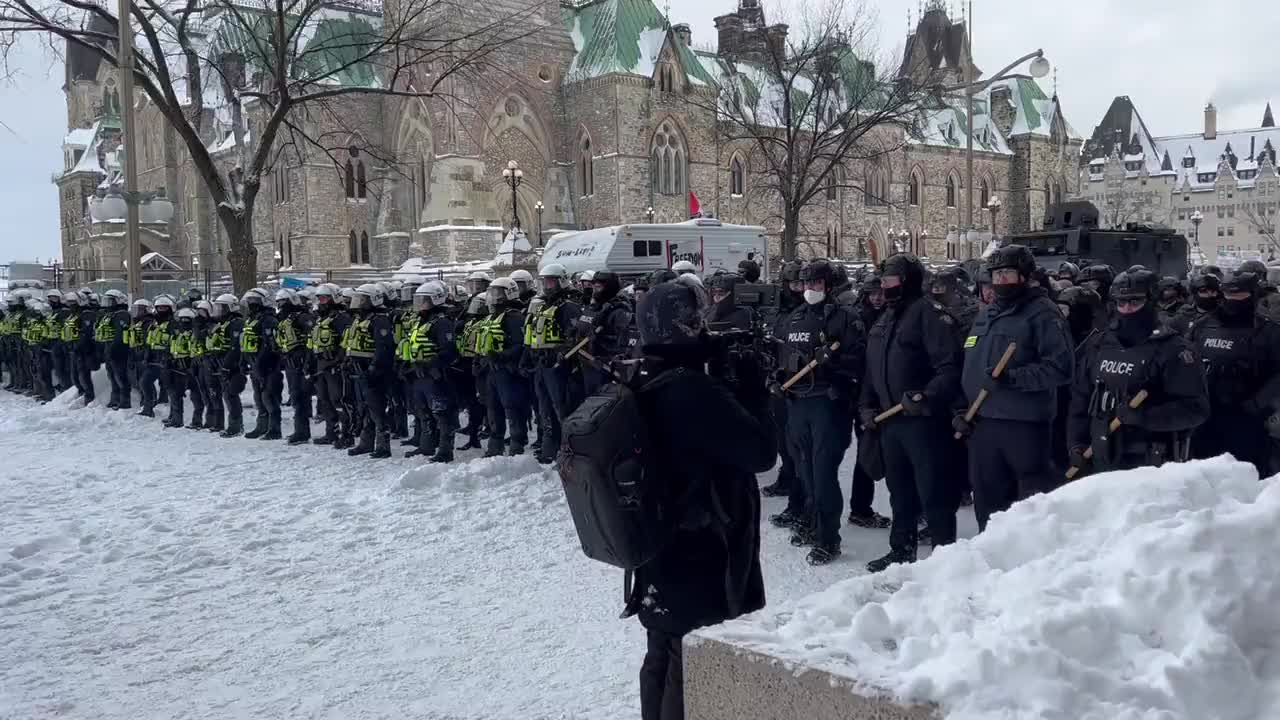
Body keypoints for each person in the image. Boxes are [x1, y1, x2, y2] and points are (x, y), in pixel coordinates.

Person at [623, 279, 775, 720]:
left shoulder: (645, 375)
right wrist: (753, 391)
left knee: (661, 649)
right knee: (688, 663)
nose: (706, 330)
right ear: (684, 327)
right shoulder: (693, 391)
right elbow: (761, 453)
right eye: (698, 323)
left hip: (657, 541)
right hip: (700, 547)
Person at [952, 246, 1074, 531]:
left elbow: (1061, 368)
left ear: (1025, 276)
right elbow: (970, 365)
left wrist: (1013, 378)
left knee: (1028, 505)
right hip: (982, 423)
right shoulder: (988, 314)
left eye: (1007, 273)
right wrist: (962, 408)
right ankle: (990, 552)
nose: (1000, 280)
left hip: (1023, 425)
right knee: (987, 500)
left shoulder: (1042, 313)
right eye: (996, 274)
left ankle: (1029, 555)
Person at [859, 253, 963, 573]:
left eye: (890, 280)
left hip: (923, 422)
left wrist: (927, 395)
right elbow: (871, 370)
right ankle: (901, 549)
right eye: (883, 280)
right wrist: (866, 405)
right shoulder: (885, 318)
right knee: (899, 492)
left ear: (906, 281)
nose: (884, 286)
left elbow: (949, 367)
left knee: (934, 492)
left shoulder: (929, 314)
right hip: (890, 422)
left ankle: (946, 559)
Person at [1068, 268, 1210, 474]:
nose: (1127, 309)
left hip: (1152, 464)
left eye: (1135, 302)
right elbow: (1080, 400)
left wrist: (1146, 416)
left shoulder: (1174, 349)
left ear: (1151, 302)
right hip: (1102, 456)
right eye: (1121, 302)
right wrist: (1076, 444)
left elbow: (1196, 409)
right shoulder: (1099, 345)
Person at [775, 259, 865, 565]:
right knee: (804, 471)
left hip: (828, 404)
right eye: (805, 283)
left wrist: (834, 363)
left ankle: (829, 538)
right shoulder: (795, 318)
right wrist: (777, 377)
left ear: (828, 286)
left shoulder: (845, 318)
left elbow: (859, 363)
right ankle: (812, 523)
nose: (809, 289)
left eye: (815, 283)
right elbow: (783, 356)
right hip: (798, 402)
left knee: (823, 473)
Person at [1187, 268, 1280, 476]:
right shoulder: (1202, 326)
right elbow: (1184, 364)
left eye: (1241, 294)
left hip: (1249, 417)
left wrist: (1257, 404)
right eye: (1229, 294)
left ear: (1253, 295)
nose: (1234, 300)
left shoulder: (1270, 332)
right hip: (1206, 416)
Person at [530, 263, 582, 464]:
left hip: (560, 365)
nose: (547, 286)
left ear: (561, 281)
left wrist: (561, 353)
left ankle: (569, 450)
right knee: (544, 408)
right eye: (544, 282)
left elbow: (575, 336)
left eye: (551, 281)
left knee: (562, 407)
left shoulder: (569, 306)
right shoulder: (543, 305)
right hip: (542, 363)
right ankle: (550, 448)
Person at [405, 280, 459, 462]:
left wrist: (430, 364)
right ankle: (426, 445)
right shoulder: (421, 323)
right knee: (423, 412)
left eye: (424, 301)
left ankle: (445, 450)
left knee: (441, 413)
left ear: (436, 300)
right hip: (419, 374)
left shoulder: (442, 323)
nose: (420, 304)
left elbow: (449, 351)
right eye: (419, 300)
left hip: (436, 375)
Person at [478, 277, 530, 457]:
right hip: (491, 370)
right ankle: (495, 444)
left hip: (509, 370)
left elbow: (520, 344)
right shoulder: (490, 318)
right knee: (492, 408)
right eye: (492, 293)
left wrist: (502, 356)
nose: (494, 297)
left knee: (512, 407)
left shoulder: (515, 317)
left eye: (498, 293)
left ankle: (517, 444)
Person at [347, 283, 397, 458]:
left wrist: (374, 368)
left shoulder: (379, 320)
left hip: (374, 372)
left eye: (362, 300)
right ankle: (365, 442)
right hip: (359, 370)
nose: (358, 303)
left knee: (376, 408)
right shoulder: (359, 320)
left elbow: (384, 348)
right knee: (364, 408)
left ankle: (383, 446)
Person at [309, 284, 351, 446]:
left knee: (338, 400)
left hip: (335, 365)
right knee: (324, 400)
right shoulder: (321, 319)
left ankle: (346, 434)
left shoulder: (342, 318)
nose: (321, 302)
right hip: (321, 364)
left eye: (324, 298)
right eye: (319, 299)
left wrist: (338, 362)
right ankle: (331, 432)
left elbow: (345, 343)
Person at [241, 288, 283, 440]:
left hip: (269, 364)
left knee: (269, 397)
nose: (252, 304)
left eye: (255, 301)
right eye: (250, 301)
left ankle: (275, 429)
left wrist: (260, 363)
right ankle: (261, 426)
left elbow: (269, 345)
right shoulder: (251, 319)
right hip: (254, 363)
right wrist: (244, 361)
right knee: (259, 398)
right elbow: (244, 343)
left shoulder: (269, 320)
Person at [274, 289, 314, 445]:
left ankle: (303, 432)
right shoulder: (284, 319)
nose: (280, 305)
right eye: (279, 302)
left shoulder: (303, 317)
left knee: (302, 397)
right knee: (296, 397)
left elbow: (311, 339)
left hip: (302, 363)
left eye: (283, 302)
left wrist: (307, 361)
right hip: (290, 363)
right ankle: (301, 431)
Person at [206, 293, 244, 436]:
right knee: (226, 395)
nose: (218, 311)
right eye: (217, 307)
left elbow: (235, 347)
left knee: (231, 395)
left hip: (232, 364)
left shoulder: (236, 323)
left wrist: (227, 366)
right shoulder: (223, 323)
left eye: (221, 308)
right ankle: (233, 424)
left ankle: (236, 426)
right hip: (221, 362)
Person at [165, 307, 201, 428]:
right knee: (175, 394)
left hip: (192, 369)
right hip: (177, 368)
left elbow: (197, 351)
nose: (184, 322)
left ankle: (197, 421)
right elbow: (171, 349)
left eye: (187, 320)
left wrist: (192, 364)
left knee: (196, 396)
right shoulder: (176, 335)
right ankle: (176, 419)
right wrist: (169, 360)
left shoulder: (195, 334)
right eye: (182, 320)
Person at [139, 296, 175, 417]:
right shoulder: (153, 324)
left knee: (170, 387)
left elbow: (175, 342)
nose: (161, 310)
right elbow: (148, 342)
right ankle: (148, 407)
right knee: (144, 382)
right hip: (153, 360)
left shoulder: (173, 324)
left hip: (167, 360)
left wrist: (168, 357)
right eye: (159, 308)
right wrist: (146, 357)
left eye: (164, 308)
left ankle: (174, 414)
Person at [96, 290, 131, 410]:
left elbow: (120, 335)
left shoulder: (122, 314)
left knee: (120, 376)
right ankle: (115, 399)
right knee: (112, 375)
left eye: (110, 301)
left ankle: (125, 401)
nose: (107, 304)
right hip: (109, 348)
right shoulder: (110, 315)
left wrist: (112, 349)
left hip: (119, 351)